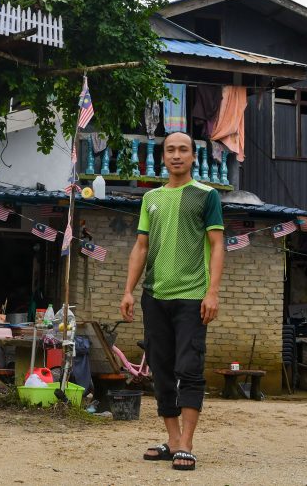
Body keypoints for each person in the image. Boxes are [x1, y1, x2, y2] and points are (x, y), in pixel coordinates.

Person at [119, 132, 225, 472]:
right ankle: (174, 440)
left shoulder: (207, 196)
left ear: (194, 156)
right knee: (161, 370)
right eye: (170, 150)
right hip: (155, 296)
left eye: (183, 150)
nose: (176, 155)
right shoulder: (150, 197)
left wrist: (213, 292)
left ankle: (187, 444)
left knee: (189, 368)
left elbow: (218, 245)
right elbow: (141, 247)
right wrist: (128, 290)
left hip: (192, 297)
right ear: (162, 157)